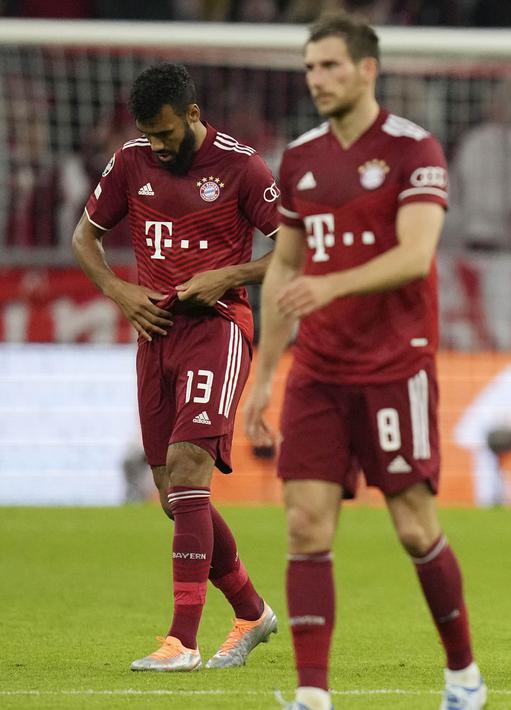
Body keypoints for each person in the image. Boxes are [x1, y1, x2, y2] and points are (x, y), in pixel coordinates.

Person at [241, 15, 485, 710]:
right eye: (310, 68)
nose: (316, 80)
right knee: (304, 523)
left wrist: (332, 283)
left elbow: (416, 255)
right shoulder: (300, 157)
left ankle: (463, 676)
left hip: (393, 367)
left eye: (329, 67)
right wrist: (265, 375)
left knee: (413, 526)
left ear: (367, 70)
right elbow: (287, 266)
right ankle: (312, 694)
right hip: (318, 370)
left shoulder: (414, 150)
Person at [71, 62, 279, 671]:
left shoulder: (242, 166)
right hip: (153, 333)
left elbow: (299, 249)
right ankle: (251, 611)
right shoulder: (132, 160)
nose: (157, 147)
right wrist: (118, 291)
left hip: (218, 327)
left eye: (166, 134)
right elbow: (84, 238)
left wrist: (232, 273)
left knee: (191, 469)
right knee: (172, 495)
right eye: (149, 134)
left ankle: (181, 640)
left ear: (193, 115)